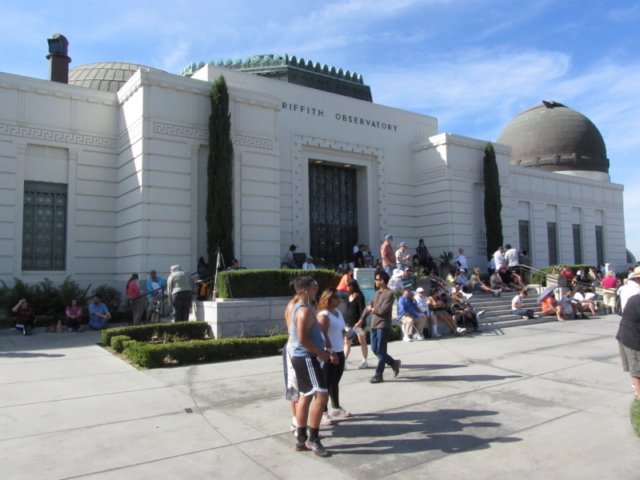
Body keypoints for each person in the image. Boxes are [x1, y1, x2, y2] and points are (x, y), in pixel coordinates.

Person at [289, 276, 335, 457]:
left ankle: (301, 438)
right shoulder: (303, 311)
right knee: (322, 395)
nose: (317, 288)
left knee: (305, 396)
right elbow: (302, 339)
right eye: (314, 286)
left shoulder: (303, 307)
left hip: (303, 357)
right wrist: (321, 353)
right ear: (305, 290)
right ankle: (313, 438)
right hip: (307, 357)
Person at [359, 271, 401, 384]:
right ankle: (393, 363)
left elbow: (383, 311)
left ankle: (379, 375)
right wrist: (361, 319)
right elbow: (368, 307)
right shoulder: (376, 293)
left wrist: (373, 310)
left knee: (381, 351)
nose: (375, 281)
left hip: (383, 325)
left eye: (377, 279)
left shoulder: (389, 294)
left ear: (382, 281)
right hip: (374, 325)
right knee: (375, 349)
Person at [317, 289, 350, 425]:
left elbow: (341, 329)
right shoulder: (324, 315)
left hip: (339, 350)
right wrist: (331, 353)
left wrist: (348, 332)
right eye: (335, 298)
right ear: (328, 299)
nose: (339, 300)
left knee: (335, 381)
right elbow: (323, 335)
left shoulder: (338, 313)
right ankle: (322, 412)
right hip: (328, 352)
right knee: (325, 383)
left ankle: (335, 407)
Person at [615, 274, 640, 406]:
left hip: (626, 333)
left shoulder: (630, 293)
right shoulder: (635, 297)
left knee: (634, 366)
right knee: (637, 368)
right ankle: (639, 393)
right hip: (631, 336)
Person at [343, 279, 369, 369]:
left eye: (348, 286)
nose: (347, 288)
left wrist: (360, 322)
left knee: (362, 341)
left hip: (358, 324)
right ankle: (344, 362)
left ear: (353, 286)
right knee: (347, 341)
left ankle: (365, 361)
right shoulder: (348, 296)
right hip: (348, 323)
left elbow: (363, 310)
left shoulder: (359, 296)